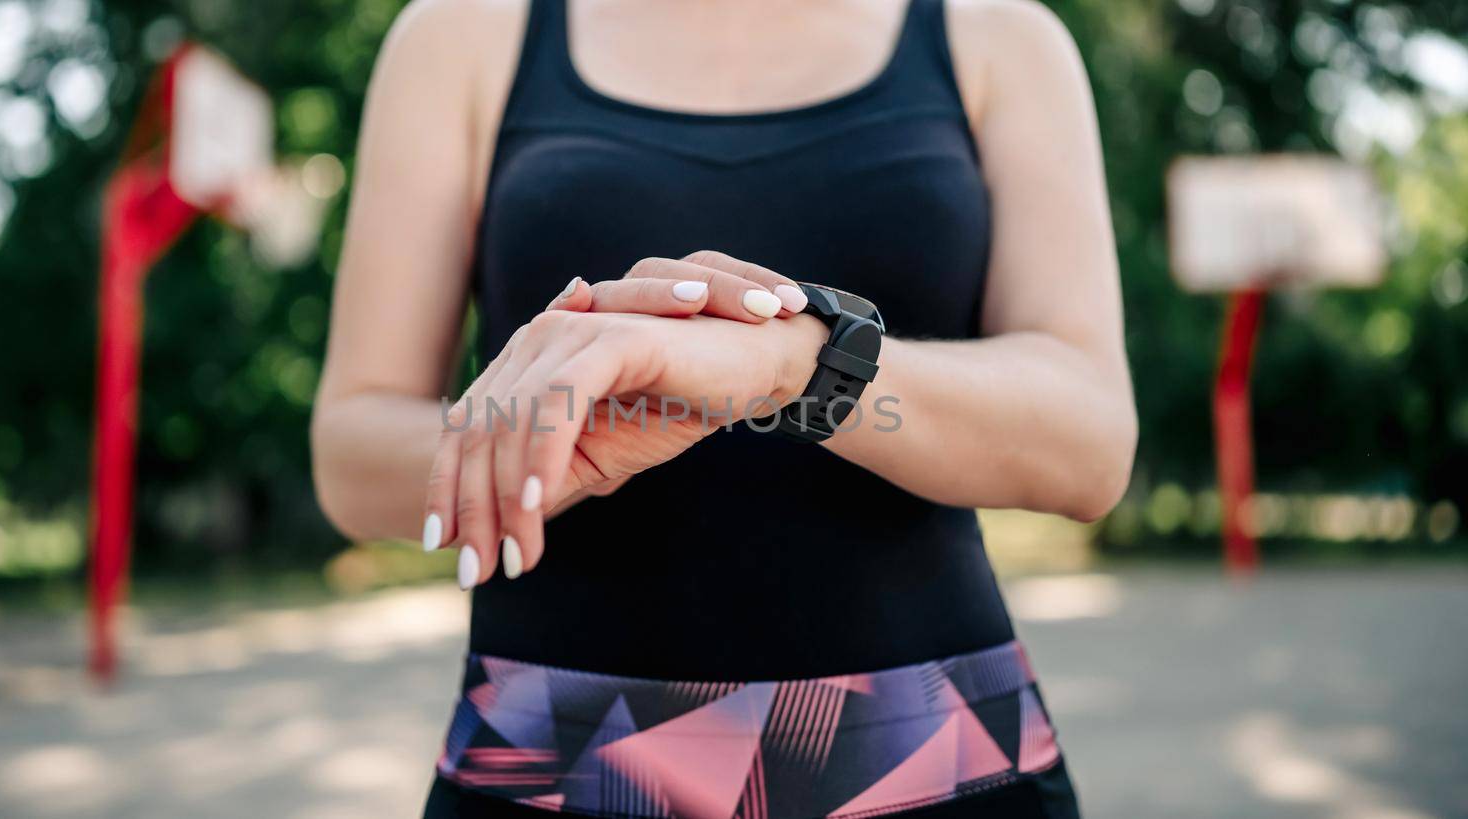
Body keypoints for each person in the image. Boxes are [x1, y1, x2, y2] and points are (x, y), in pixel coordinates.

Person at [312, 0, 1135, 814]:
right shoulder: (462, 35)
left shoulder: (999, 36)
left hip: (944, 764)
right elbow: (353, 453)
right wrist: (555, 446)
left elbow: (1089, 444)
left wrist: (799, 368)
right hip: (548, 772)